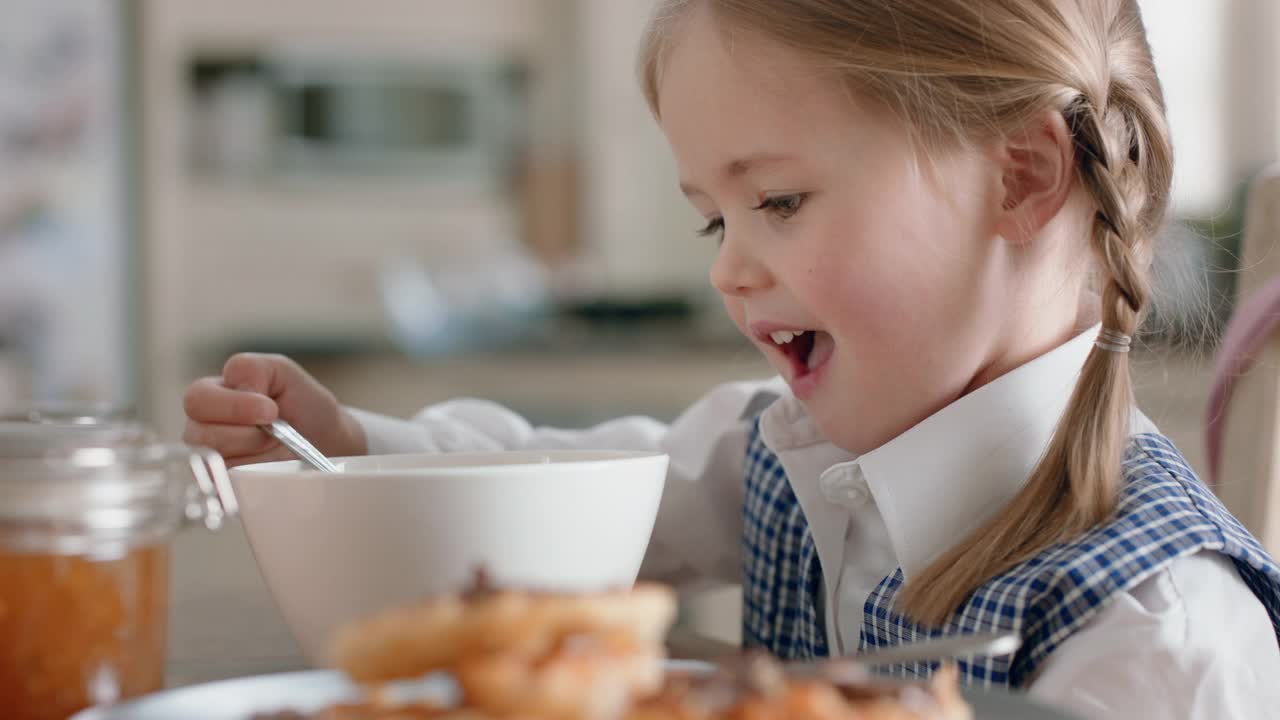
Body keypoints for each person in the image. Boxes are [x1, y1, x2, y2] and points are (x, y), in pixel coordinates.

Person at [183, 2, 1280, 717]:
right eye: (717, 221)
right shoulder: (774, 447)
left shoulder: (1164, 643)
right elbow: (555, 500)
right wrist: (351, 448)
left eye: (778, 202)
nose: (729, 271)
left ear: (1020, 178)